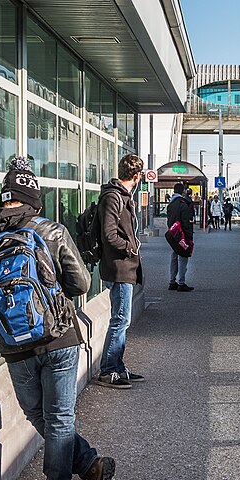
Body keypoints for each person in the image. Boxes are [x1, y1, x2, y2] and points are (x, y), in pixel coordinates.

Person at [0, 157, 116, 480]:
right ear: (33, 199)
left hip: (13, 346)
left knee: (39, 414)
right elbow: (81, 283)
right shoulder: (51, 230)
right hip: (58, 338)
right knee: (60, 418)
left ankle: (82, 471)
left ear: (4, 198)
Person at [98, 153, 145, 389]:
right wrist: (130, 247)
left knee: (122, 320)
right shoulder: (114, 197)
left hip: (122, 266)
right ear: (136, 176)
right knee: (120, 320)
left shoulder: (120, 196)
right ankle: (108, 371)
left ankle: (117, 367)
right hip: (118, 267)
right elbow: (109, 234)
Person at [166, 181, 194, 292]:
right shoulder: (183, 203)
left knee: (174, 257)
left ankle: (172, 282)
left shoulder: (171, 204)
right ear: (183, 191)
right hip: (181, 235)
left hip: (173, 234)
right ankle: (181, 283)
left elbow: (169, 220)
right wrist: (189, 237)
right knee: (183, 257)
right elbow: (186, 222)